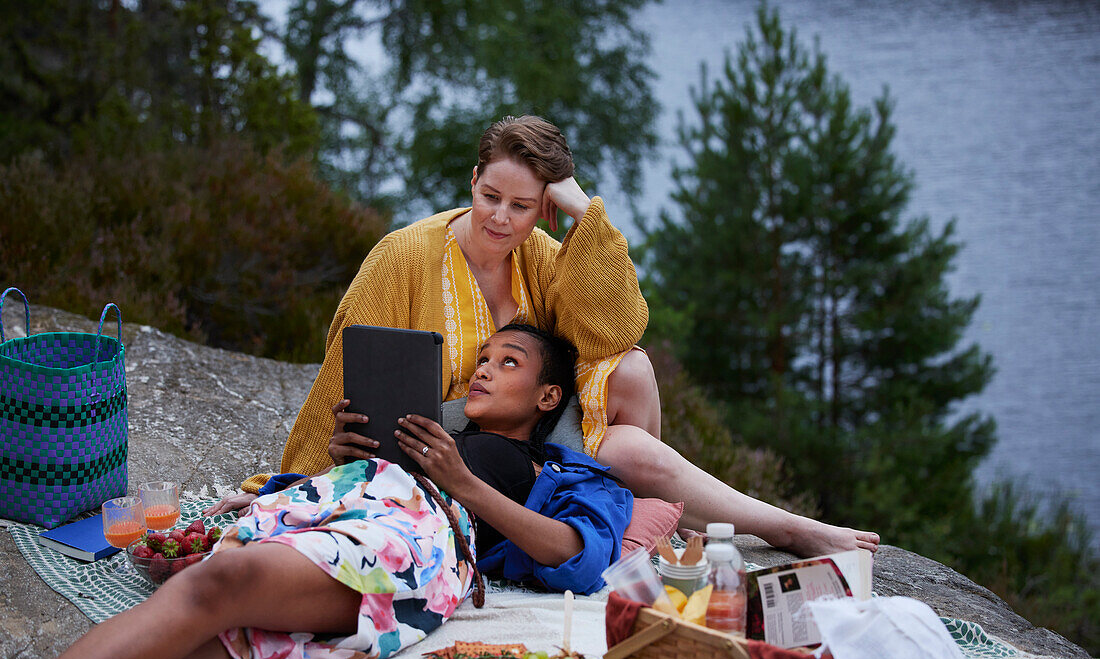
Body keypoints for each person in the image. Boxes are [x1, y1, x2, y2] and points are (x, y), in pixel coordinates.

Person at [214, 113, 877, 558]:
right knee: (632, 450)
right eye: (491, 196)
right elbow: (349, 366)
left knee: (636, 370)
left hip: (528, 426)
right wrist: (318, 463)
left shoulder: (539, 253)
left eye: (524, 205)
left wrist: (583, 211)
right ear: (473, 181)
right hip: (449, 439)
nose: (501, 218)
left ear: (545, 207)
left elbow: (617, 328)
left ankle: (654, 527)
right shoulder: (405, 256)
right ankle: (780, 529)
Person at [0, 325, 632, 659]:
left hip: (423, 533)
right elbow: (372, 482)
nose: (484, 369)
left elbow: (575, 557)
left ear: (549, 399)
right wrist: (352, 460)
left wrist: (462, 482)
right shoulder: (441, 434)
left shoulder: (566, 472)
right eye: (484, 356)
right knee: (211, 649)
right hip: (349, 507)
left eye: (509, 362)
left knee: (220, 581)